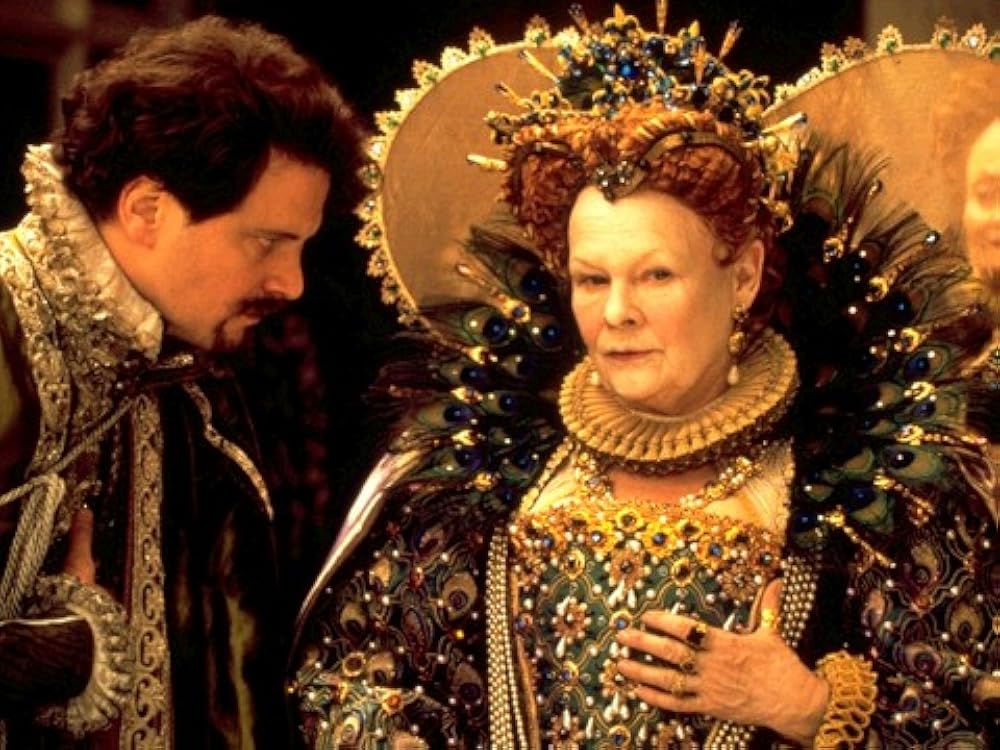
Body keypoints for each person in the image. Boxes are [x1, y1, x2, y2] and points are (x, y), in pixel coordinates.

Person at [288, 5, 997, 749]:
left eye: (657, 275)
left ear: (744, 275)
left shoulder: (878, 488)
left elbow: (972, 717)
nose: (617, 313)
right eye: (592, 280)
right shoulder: (474, 479)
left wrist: (809, 707)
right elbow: (346, 682)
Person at [0, 14, 364, 749]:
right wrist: (41, 656)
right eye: (266, 242)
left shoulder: (188, 386)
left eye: (300, 248)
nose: (291, 283)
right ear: (145, 210)